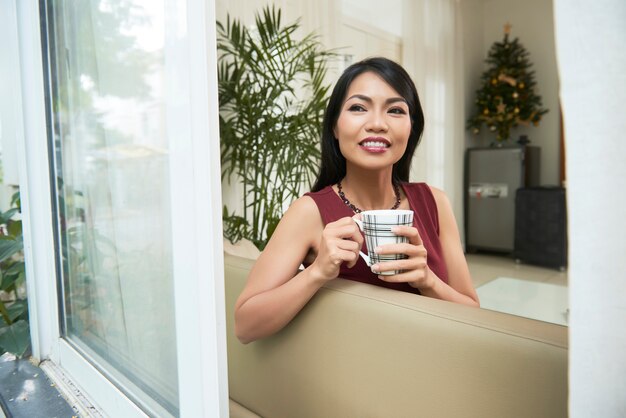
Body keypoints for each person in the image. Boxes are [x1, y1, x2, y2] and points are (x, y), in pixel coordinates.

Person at [235, 57, 479, 344]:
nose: (377, 123)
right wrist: (318, 272)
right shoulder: (309, 212)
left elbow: (474, 314)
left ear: (412, 128)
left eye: (395, 110)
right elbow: (245, 326)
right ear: (335, 128)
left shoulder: (435, 202)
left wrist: (427, 280)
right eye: (358, 108)